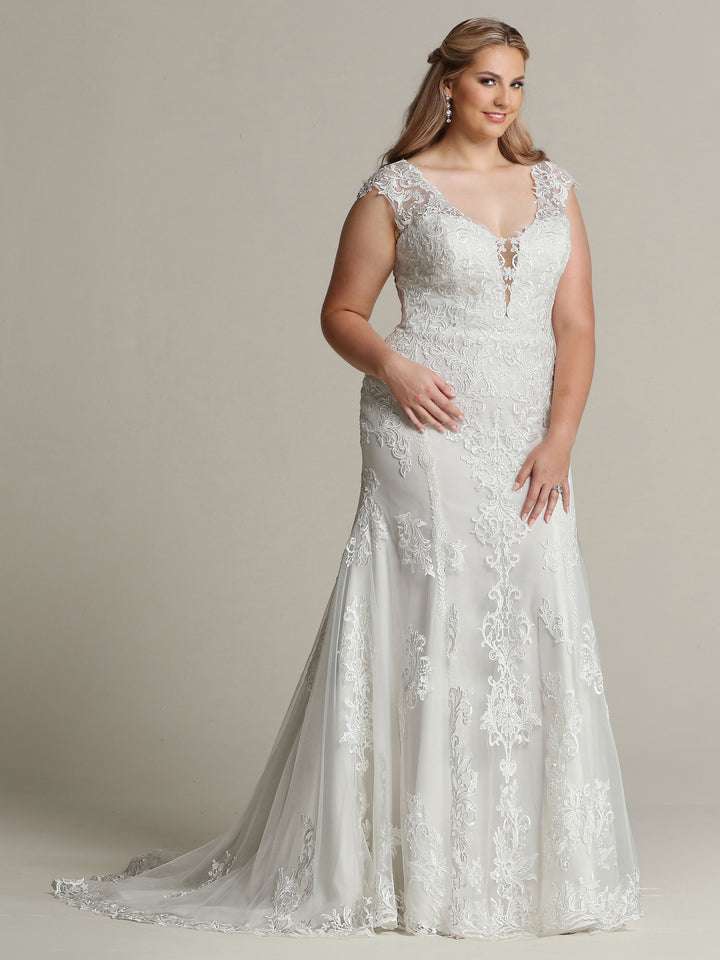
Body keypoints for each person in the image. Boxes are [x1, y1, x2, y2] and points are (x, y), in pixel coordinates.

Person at [50, 17, 643, 939]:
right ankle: (408, 868)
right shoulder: (396, 189)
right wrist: (393, 366)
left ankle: (511, 866)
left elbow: (578, 326)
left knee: (529, 610)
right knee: (432, 620)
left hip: (528, 434)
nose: (504, 99)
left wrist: (561, 436)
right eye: (488, 80)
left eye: (518, 82)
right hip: (421, 426)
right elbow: (342, 312)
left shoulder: (554, 188)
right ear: (448, 84)